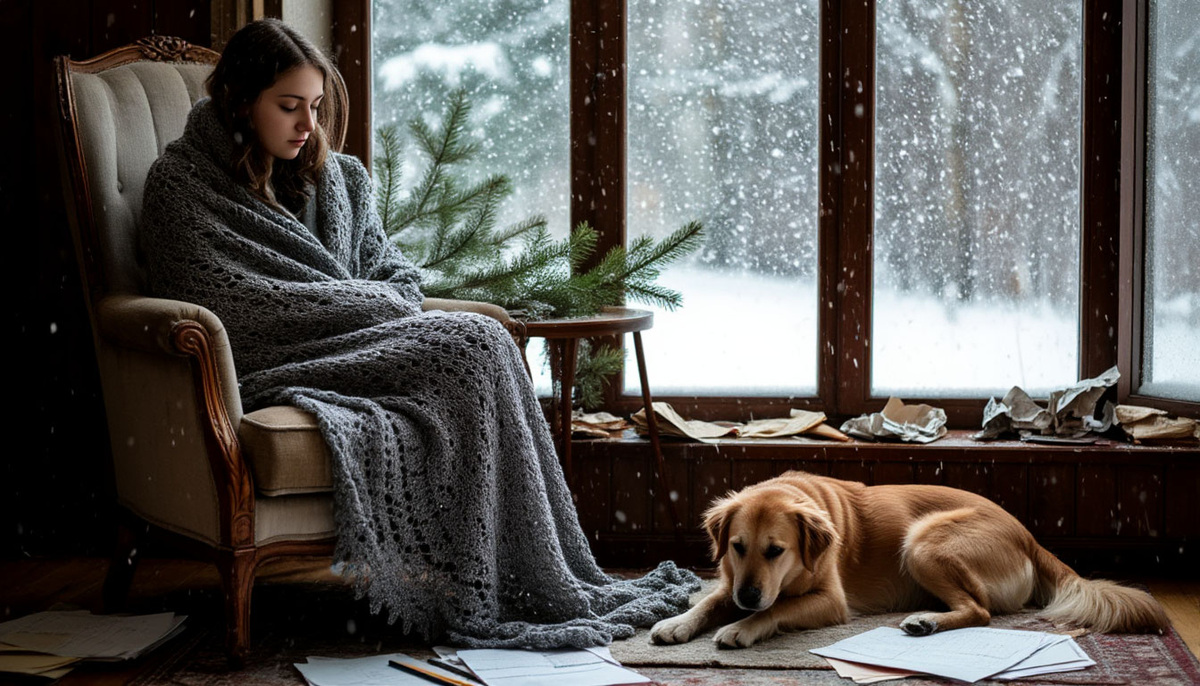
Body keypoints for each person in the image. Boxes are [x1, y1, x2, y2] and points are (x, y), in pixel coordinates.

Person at [139, 18, 697, 648]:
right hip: (277, 358)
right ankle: (495, 581)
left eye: (316, 107)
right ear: (240, 101)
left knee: (482, 341)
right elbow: (233, 306)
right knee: (469, 343)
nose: (307, 126)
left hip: (361, 341)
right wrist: (370, 305)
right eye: (289, 107)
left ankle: (526, 570)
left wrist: (368, 302)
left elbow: (396, 276)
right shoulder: (181, 187)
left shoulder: (339, 180)